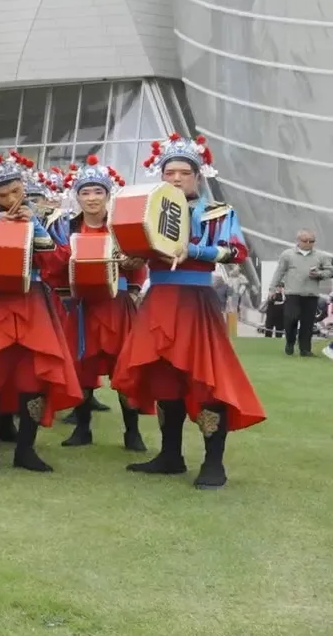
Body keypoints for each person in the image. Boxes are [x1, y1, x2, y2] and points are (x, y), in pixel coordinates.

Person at [114, 134, 265, 489]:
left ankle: (214, 464)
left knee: (205, 378)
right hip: (159, 299)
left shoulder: (217, 213)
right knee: (164, 378)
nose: (177, 178)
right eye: (170, 172)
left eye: (184, 172)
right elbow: (138, 253)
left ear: (198, 176)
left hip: (196, 300)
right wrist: (130, 258)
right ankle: (170, 455)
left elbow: (236, 252)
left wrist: (194, 250)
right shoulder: (146, 211)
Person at [0, 152, 80, 472]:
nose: (11, 198)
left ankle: (26, 449)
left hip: (32, 300)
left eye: (16, 191)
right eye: (2, 194)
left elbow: (61, 261)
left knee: (33, 376)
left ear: (24, 187)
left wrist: (35, 229)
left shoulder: (45, 216)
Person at [54, 158, 146, 450]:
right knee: (81, 368)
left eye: (98, 192)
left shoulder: (121, 225)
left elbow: (138, 264)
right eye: (86, 192)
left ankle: (132, 432)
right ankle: (82, 428)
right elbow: (53, 265)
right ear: (77, 196)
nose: (92, 198)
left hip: (118, 305)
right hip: (81, 307)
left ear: (108, 195)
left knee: (126, 367)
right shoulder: (65, 227)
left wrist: (132, 287)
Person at [265, 229, 332, 357]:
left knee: (307, 323)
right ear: (298, 241)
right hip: (293, 294)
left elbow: (330, 271)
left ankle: (305, 349)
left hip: (311, 295)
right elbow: (279, 272)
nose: (308, 243)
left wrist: (319, 274)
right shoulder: (287, 255)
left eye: (311, 241)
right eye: (305, 241)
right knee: (290, 319)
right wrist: (272, 289)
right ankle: (290, 342)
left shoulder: (320, 256)